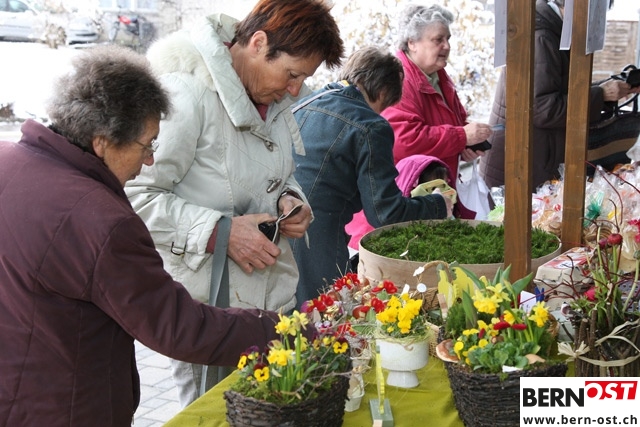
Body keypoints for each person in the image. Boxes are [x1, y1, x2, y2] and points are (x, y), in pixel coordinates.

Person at [0, 45, 293, 427]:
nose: (151, 159)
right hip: (69, 408)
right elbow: (178, 327)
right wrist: (280, 329)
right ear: (103, 141)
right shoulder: (101, 221)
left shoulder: (9, 162)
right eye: (147, 144)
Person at [124, 0, 344, 406]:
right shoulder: (185, 94)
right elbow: (132, 197)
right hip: (208, 312)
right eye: (292, 74)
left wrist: (291, 199)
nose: (295, 90)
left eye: (302, 79)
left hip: (268, 300)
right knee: (212, 414)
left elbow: (275, 172)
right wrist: (219, 232)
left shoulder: (270, 95)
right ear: (258, 43)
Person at [290, 47, 452, 309]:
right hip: (318, 242)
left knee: (284, 324)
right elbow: (385, 213)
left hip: (277, 230)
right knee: (326, 321)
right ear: (383, 92)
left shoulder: (305, 103)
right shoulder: (370, 125)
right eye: (384, 107)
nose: (381, 113)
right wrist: (437, 205)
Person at [480, 0, 640, 190]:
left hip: (533, 157)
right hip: (521, 163)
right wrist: (600, 95)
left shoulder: (555, 30)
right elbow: (543, 109)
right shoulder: (542, 36)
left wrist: (605, 89)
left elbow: (561, 90)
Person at [381, 3, 493, 219]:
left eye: (448, 38)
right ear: (412, 43)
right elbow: (404, 141)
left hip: (436, 191)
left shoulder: (438, 76)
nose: (447, 46)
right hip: (410, 196)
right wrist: (462, 136)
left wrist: (465, 145)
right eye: (438, 39)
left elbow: (455, 123)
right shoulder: (399, 81)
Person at [345, 154, 451, 251]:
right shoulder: (384, 222)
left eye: (446, 186)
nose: (442, 194)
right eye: (432, 188)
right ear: (412, 188)